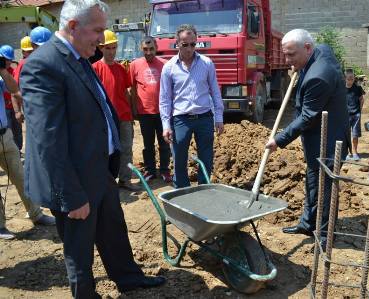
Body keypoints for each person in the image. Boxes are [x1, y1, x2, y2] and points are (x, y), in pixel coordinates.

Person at [20, 1, 165, 297]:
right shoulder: (43, 65)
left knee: (113, 229)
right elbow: (48, 140)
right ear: (73, 26)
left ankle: (127, 277)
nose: (102, 38)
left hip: (99, 169)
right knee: (79, 248)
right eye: (97, 30)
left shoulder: (79, 57)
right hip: (74, 179)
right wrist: (71, 195)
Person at [265, 29, 349, 242]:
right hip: (316, 138)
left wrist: (279, 139)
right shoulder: (319, 52)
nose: (287, 60)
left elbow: (307, 117)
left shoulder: (318, 76)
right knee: (313, 181)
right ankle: (307, 223)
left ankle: (324, 234)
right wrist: (299, 70)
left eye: (291, 55)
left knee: (326, 187)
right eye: (286, 54)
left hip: (329, 140)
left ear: (308, 48)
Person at [159, 24, 224, 188]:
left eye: (193, 44)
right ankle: (182, 189)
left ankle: (204, 188)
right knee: (179, 157)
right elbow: (165, 99)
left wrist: (219, 117)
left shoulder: (207, 64)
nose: (189, 48)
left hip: (204, 118)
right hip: (181, 119)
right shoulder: (169, 68)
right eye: (185, 44)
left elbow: (215, 91)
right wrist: (166, 125)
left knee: (206, 157)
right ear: (177, 43)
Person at [0, 56, 55, 240]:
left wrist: (2, 70)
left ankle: (36, 214)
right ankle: (0, 226)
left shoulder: (1, 76)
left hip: (4, 135)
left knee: (21, 176)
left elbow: (14, 90)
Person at [93, 30, 138, 191]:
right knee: (107, 151)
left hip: (124, 116)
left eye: (113, 48)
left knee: (126, 149)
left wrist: (131, 113)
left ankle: (125, 180)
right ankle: (107, 181)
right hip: (106, 118)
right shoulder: (95, 69)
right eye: (108, 48)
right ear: (100, 48)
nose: (111, 52)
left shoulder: (120, 69)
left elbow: (126, 92)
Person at [129, 36, 172, 183]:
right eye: (145, 49)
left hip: (163, 112)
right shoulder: (134, 65)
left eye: (151, 49)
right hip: (144, 112)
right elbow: (133, 88)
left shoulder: (165, 64)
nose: (148, 52)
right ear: (141, 49)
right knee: (148, 145)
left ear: (157, 48)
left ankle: (165, 170)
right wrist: (134, 108)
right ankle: (150, 170)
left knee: (164, 143)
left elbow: (171, 89)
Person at [0, 45, 24, 152]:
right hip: (4, 109)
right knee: (9, 131)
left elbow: (14, 89)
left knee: (17, 131)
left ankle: (17, 151)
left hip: (13, 105)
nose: (9, 62)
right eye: (6, 59)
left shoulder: (12, 70)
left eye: (10, 60)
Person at [345, 68, 364, 161]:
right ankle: (348, 153)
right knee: (346, 135)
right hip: (345, 116)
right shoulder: (341, 89)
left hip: (356, 115)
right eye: (348, 79)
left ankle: (355, 152)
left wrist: (359, 111)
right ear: (345, 78)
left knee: (355, 134)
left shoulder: (357, 88)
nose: (350, 81)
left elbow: (361, 99)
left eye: (352, 78)